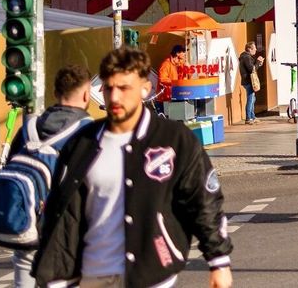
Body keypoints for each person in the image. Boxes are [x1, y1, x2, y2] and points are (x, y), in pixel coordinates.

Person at [33, 48, 232, 288]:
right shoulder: (82, 144)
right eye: (108, 88)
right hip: (93, 275)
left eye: (124, 88)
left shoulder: (174, 139)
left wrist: (218, 260)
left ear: (145, 89)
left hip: (153, 274)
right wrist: (54, 277)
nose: (115, 97)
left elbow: (204, 201)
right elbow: (61, 211)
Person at [4, 64, 91, 288]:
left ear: (54, 93)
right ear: (86, 94)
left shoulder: (28, 128)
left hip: (28, 227)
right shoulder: (90, 132)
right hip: (68, 235)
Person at [238, 41, 264, 124]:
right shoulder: (246, 57)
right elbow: (252, 69)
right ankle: (248, 118)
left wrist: (259, 63)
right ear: (249, 49)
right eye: (254, 48)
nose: (256, 49)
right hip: (249, 81)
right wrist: (258, 62)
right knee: (250, 99)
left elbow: (253, 67)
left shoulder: (246, 57)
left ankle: (252, 116)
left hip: (247, 81)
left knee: (253, 98)